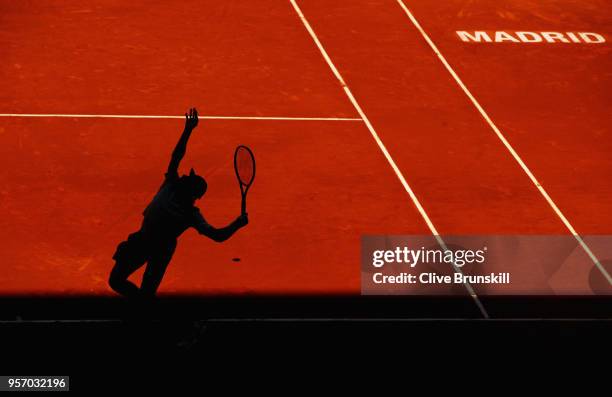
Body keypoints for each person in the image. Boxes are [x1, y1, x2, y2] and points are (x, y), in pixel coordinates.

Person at [109, 108, 248, 298]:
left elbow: (217, 236)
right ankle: (139, 304)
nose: (184, 175)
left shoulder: (191, 213)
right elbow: (176, 156)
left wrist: (237, 224)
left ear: (191, 191)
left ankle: (142, 313)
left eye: (188, 178)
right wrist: (188, 130)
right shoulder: (171, 183)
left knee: (147, 294)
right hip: (141, 239)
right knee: (115, 280)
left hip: (161, 252)